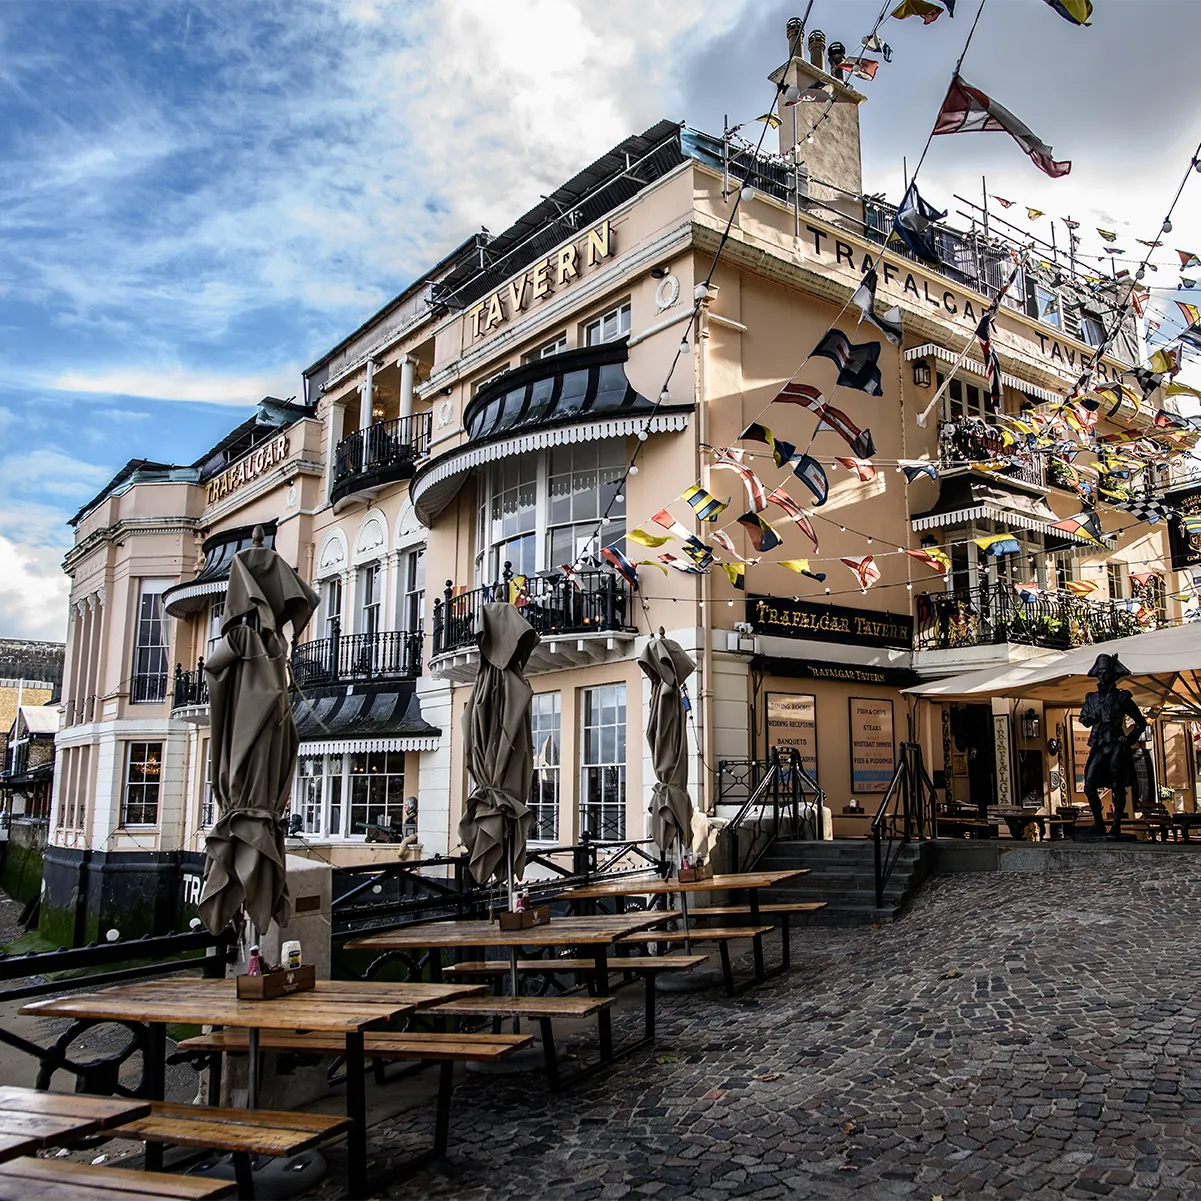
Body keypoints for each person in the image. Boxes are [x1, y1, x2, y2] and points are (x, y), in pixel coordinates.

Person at [1078, 653, 1148, 838]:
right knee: (1089, 785)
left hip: (1116, 744)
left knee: (1118, 787)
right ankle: (1099, 823)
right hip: (1099, 745)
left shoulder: (1122, 698)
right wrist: (1094, 717)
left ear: (1112, 675)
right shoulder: (1091, 699)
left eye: (1106, 672)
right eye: (1100, 672)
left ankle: (1116, 825)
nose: (1102, 676)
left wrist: (1130, 738)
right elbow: (1083, 719)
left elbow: (1141, 722)